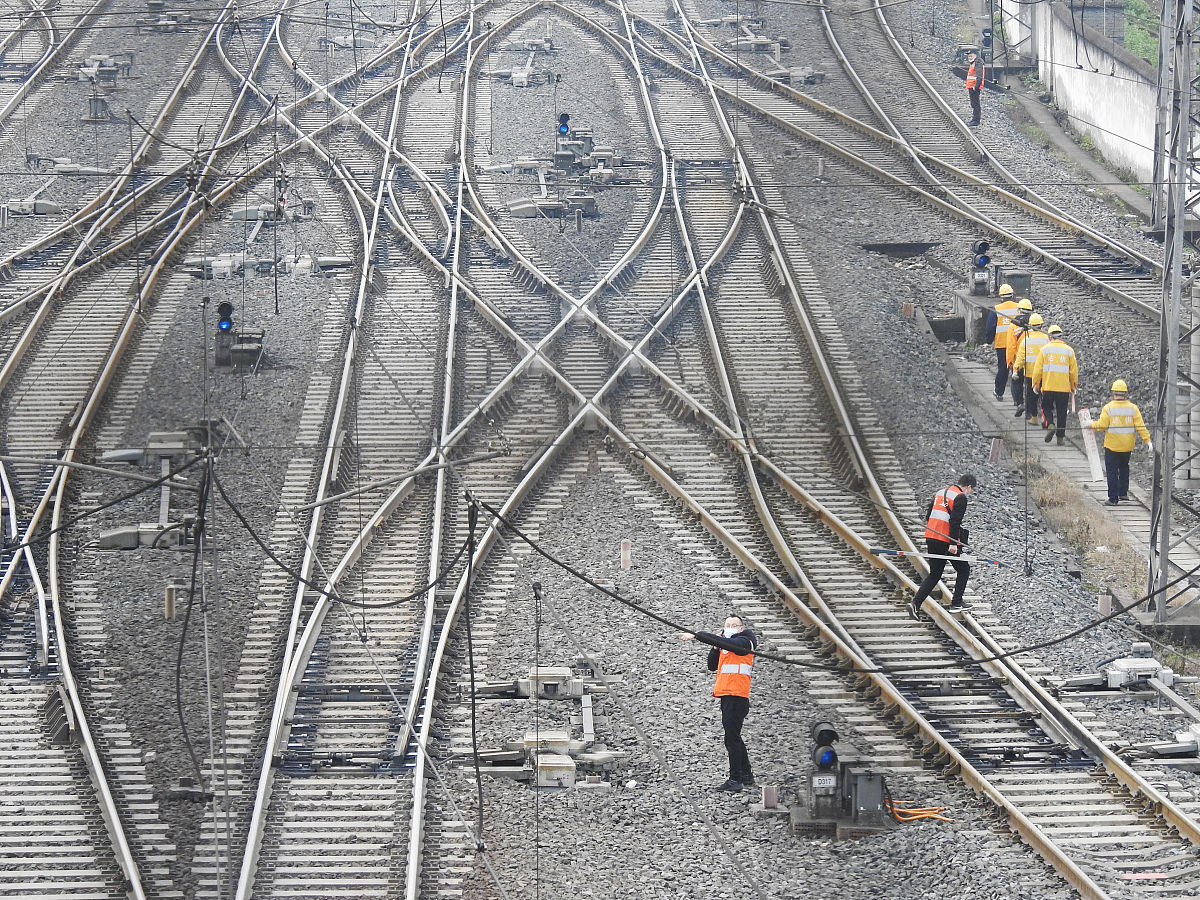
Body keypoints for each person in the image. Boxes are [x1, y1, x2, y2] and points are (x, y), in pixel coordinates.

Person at [680, 615, 758, 792]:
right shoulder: (725, 644)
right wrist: (715, 647)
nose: (730, 627)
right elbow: (711, 666)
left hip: (737, 695)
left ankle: (735, 779)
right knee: (735, 736)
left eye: (733, 625)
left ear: (740, 628)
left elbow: (737, 647)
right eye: (727, 625)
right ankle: (746, 775)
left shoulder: (746, 641)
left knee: (731, 738)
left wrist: (698, 635)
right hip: (727, 695)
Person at [908, 473, 977, 619]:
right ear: (969, 487)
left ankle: (915, 603)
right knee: (964, 569)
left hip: (931, 536)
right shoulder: (960, 497)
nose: (970, 493)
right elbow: (955, 522)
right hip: (945, 540)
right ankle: (956, 603)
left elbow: (929, 515)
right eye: (971, 490)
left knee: (935, 574)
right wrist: (953, 543)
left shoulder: (941, 493)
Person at [1090, 379, 1152, 506]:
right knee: (1124, 468)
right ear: (1126, 394)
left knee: (1112, 471)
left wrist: (1090, 424)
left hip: (1112, 446)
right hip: (1127, 447)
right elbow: (1140, 426)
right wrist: (1148, 441)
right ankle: (1123, 493)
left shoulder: (1108, 408)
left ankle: (1113, 499)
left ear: (1113, 393)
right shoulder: (1133, 408)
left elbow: (1101, 426)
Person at [1029, 323, 1077, 445]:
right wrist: (1073, 386)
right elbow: (1073, 372)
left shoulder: (1044, 350)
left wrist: (1035, 384)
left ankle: (1050, 425)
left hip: (1048, 386)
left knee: (1046, 408)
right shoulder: (1069, 351)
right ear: (1061, 336)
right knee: (1062, 413)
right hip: (1064, 388)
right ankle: (1060, 439)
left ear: (1050, 337)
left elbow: (1038, 369)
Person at [983, 284, 1018, 400]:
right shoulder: (1019, 308)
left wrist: (988, 340)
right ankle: (1018, 399)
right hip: (1017, 345)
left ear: (1001, 297)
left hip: (1002, 344)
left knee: (1003, 369)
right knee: (1017, 370)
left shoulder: (996, 309)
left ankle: (999, 392)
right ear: (1012, 295)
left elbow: (990, 328)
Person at [1011, 312, 1048, 418]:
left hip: (1030, 373)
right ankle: (1045, 415)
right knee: (1043, 393)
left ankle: (1030, 414)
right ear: (1041, 325)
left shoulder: (1026, 340)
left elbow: (1020, 358)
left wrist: (1015, 370)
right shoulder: (1047, 339)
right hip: (1044, 373)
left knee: (1030, 395)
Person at [1005, 299, 1035, 411]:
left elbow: (1011, 346)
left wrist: (1010, 362)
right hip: (1033, 360)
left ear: (1019, 310)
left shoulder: (1013, 324)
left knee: (1016, 382)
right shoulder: (1036, 323)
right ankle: (1031, 410)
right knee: (1031, 385)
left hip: (1019, 359)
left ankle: (1019, 403)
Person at [965, 49, 984, 126]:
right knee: (973, 103)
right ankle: (974, 119)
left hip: (974, 87)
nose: (969, 57)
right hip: (971, 86)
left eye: (971, 56)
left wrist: (976, 87)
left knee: (975, 103)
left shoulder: (978, 63)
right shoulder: (973, 63)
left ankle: (976, 120)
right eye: (969, 56)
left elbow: (979, 76)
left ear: (975, 56)